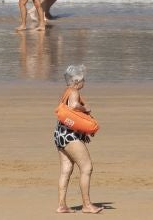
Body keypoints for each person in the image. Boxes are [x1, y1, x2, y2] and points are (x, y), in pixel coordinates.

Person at [54, 64, 102, 214]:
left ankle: (62, 206)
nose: (84, 81)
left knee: (66, 170)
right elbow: (74, 107)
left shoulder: (66, 92)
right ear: (76, 81)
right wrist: (85, 108)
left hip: (60, 134)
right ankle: (87, 205)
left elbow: (70, 116)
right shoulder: (74, 92)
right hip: (70, 136)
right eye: (82, 79)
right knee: (87, 167)